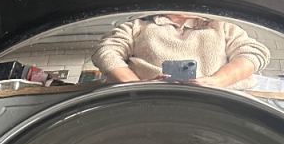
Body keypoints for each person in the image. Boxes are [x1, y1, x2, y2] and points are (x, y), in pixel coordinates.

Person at [91, 13, 270, 89]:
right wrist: (138, 87)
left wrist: (217, 81)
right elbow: (106, 52)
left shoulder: (221, 25)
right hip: (147, 104)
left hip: (217, 104)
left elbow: (253, 53)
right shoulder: (138, 25)